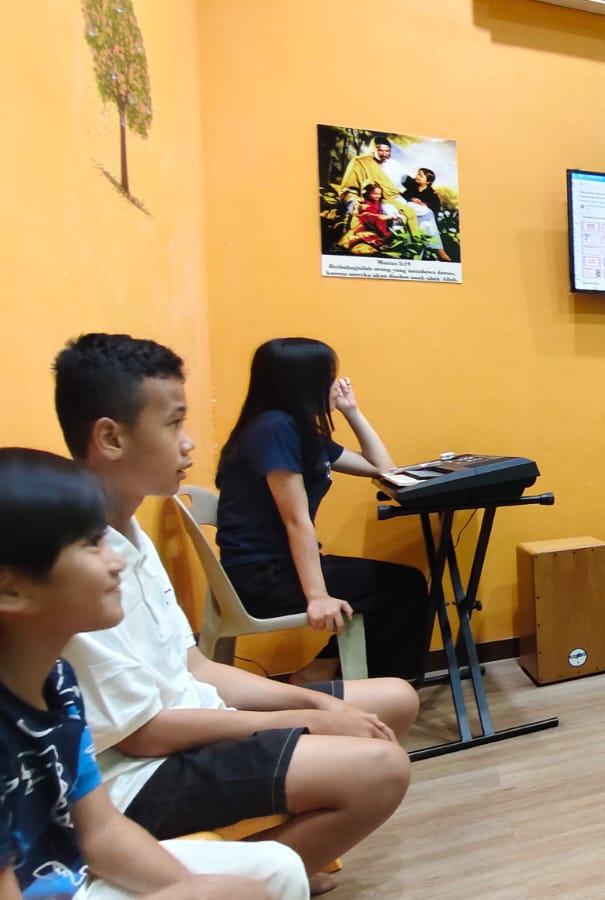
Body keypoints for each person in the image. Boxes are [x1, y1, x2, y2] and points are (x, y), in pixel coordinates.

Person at [53, 333, 415, 894]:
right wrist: (303, 715)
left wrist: (313, 703)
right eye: (174, 423)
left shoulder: (130, 535)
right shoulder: (80, 567)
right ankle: (246, 877)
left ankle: (268, 862)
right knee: (382, 768)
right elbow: (144, 735)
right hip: (140, 773)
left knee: (395, 699)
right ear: (111, 437)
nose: (189, 443)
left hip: (194, 716)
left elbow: (195, 666)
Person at [0, 447, 306, 900]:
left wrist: (195, 888)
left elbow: (101, 832)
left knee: (277, 871)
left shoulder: (58, 682)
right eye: (91, 544)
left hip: (72, 874)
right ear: (10, 589)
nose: (117, 561)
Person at [215, 337, 434, 686]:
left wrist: (352, 412)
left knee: (401, 584)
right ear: (303, 382)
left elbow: (383, 468)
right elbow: (296, 519)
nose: (336, 385)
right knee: (404, 587)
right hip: (263, 578)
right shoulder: (274, 428)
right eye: (329, 377)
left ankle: (328, 672)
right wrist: (317, 596)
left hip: (281, 567)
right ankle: (371, 686)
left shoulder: (299, 431)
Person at [335, 136, 419, 237]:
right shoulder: (360, 162)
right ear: (373, 150)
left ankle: (418, 241)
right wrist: (354, 202)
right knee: (393, 217)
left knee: (417, 213)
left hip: (394, 199)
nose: (384, 154)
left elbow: (404, 184)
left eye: (387, 151)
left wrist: (413, 197)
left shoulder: (392, 164)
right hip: (374, 202)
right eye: (380, 150)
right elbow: (349, 189)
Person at [401, 168, 452, 262]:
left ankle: (436, 250)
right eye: (417, 174)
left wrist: (424, 204)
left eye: (420, 176)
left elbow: (435, 210)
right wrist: (412, 199)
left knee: (429, 216)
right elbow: (403, 196)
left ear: (428, 182)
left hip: (423, 218)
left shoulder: (432, 194)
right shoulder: (412, 188)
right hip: (410, 212)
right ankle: (439, 250)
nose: (417, 177)